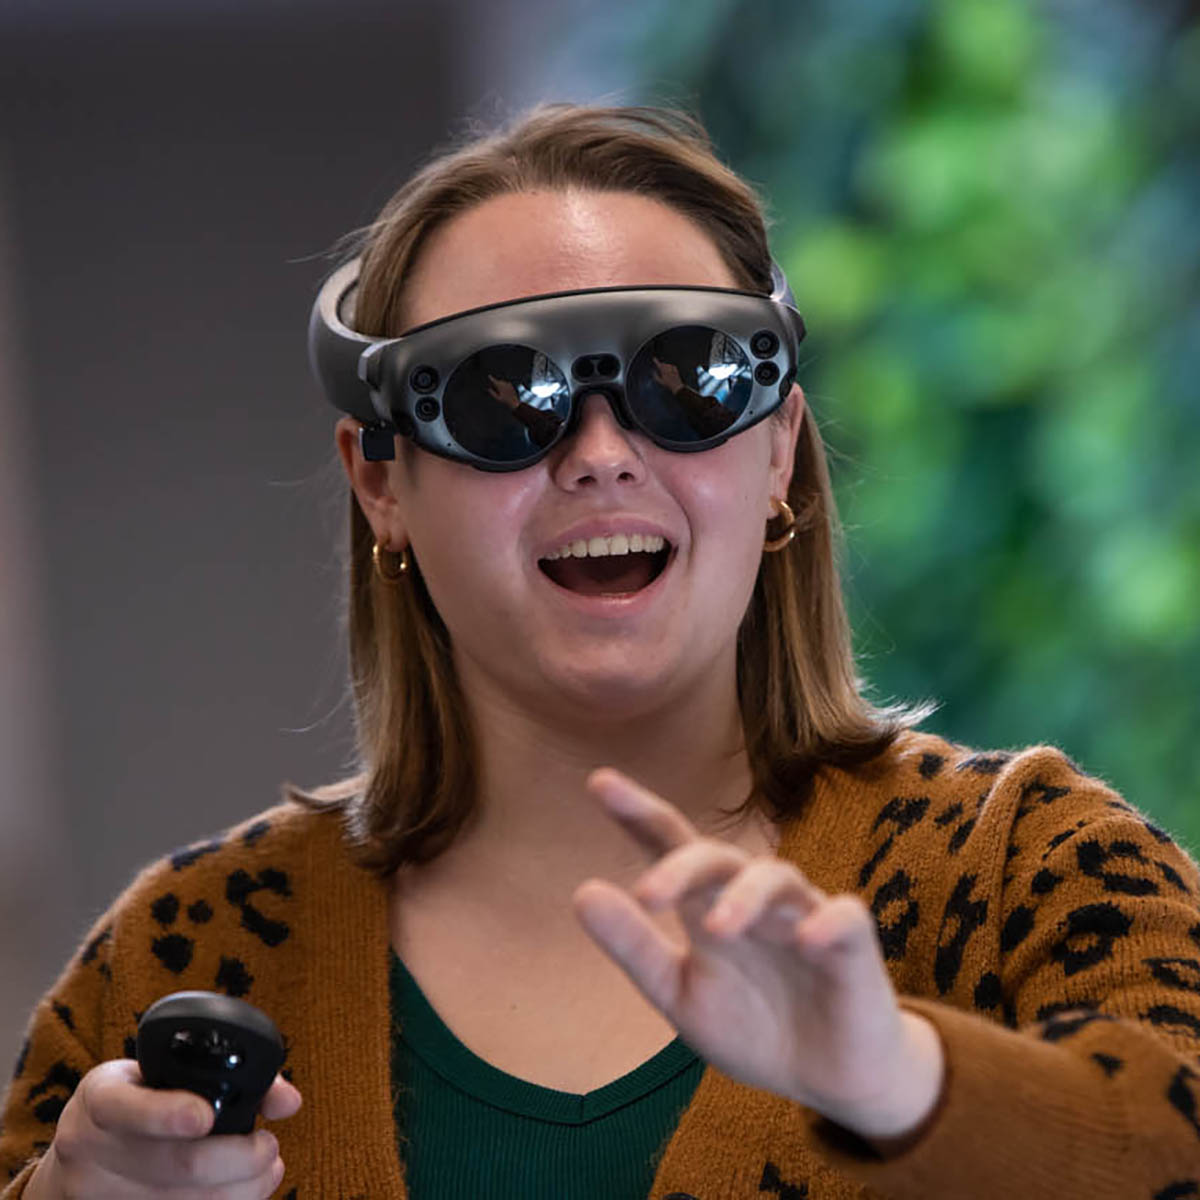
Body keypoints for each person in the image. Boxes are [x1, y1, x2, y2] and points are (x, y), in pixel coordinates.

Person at [2, 104, 1199, 1200]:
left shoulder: (1018, 873)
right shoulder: (193, 948)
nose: (600, 452)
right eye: (499, 396)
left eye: (690, 382)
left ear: (778, 452)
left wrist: (900, 1078)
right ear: (382, 483)